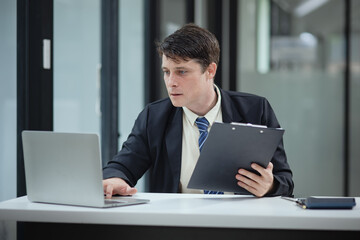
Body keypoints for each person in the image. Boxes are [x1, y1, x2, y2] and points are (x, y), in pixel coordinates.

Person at [103, 23, 294, 198]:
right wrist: (114, 180)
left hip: (240, 224)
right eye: (166, 72)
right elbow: (123, 167)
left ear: (210, 71)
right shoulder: (154, 117)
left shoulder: (255, 110)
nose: (171, 82)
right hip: (179, 226)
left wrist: (269, 186)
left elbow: (285, 181)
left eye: (182, 71)